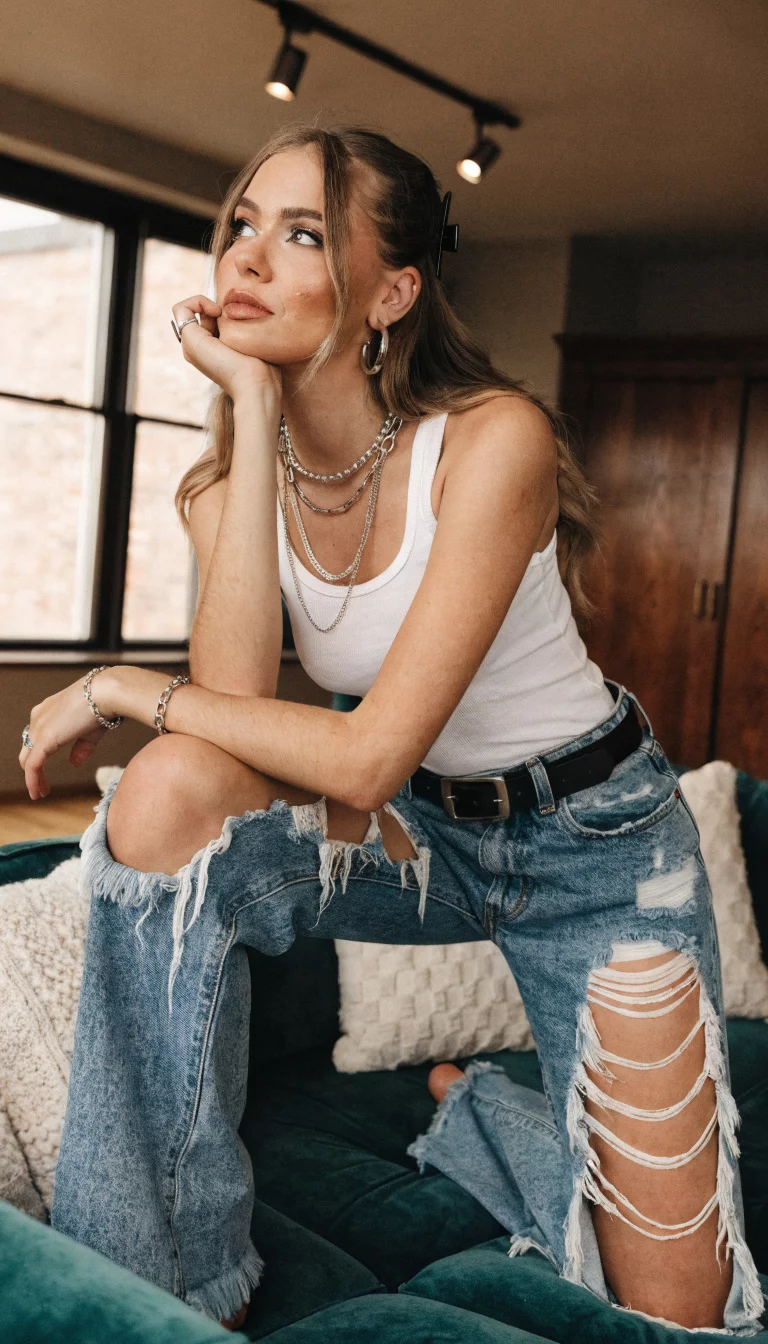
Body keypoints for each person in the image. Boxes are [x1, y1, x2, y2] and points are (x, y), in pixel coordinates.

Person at [19, 124, 763, 1336]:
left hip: (597, 856)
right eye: (243, 224)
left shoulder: (491, 440)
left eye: (302, 233)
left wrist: (117, 686)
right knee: (163, 797)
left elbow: (369, 752)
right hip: (418, 842)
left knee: (684, 1310)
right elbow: (237, 742)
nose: (249, 257)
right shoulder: (219, 489)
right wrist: (253, 412)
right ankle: (167, 1280)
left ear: (393, 292)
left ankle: (489, 1113)